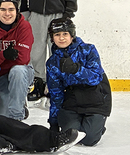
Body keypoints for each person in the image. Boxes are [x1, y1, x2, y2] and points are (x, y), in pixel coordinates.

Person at [46, 18, 111, 146]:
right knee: (73, 136)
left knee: (89, 139)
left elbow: (96, 77)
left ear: (72, 35)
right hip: (72, 100)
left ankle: (97, 126)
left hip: (94, 97)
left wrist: (76, 69)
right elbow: (56, 93)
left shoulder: (88, 50)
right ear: (52, 38)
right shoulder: (52, 62)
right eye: (57, 35)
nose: (61, 38)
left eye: (65, 34)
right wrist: (53, 122)